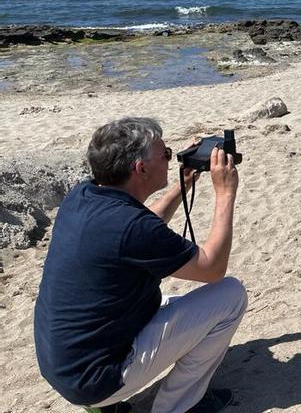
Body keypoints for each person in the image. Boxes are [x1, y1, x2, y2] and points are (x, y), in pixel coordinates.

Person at [34, 117, 246, 413]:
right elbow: (212, 268)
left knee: (168, 301)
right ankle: (178, 408)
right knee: (230, 295)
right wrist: (225, 193)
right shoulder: (132, 228)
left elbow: (141, 230)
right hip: (97, 379)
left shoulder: (82, 197)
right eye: (166, 155)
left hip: (67, 364)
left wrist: (183, 184)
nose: (171, 159)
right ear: (141, 169)